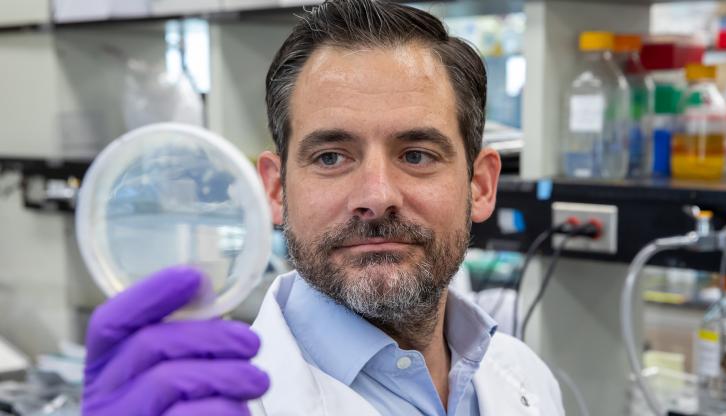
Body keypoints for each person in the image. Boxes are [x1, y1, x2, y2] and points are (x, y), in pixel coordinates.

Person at [81, 1, 565, 415]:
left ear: (480, 186)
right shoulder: (223, 404)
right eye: (331, 157)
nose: (376, 196)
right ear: (275, 190)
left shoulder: (525, 380)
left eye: (416, 155)